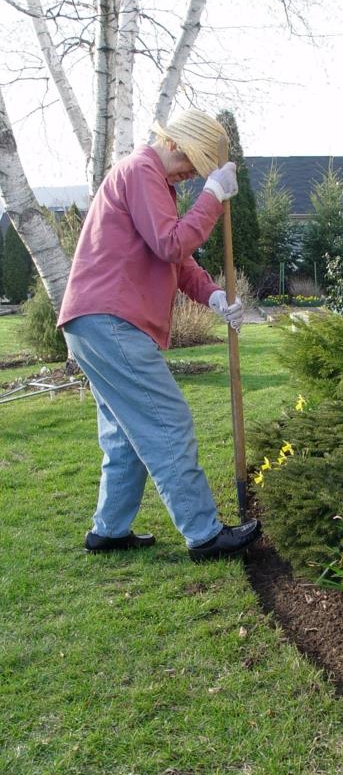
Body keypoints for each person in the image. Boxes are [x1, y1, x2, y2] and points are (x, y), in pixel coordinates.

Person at [58, 108, 261, 562]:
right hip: (111, 320)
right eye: (191, 162)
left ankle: (109, 531)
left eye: (200, 172)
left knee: (124, 433)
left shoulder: (156, 183)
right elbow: (171, 243)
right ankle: (205, 535)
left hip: (94, 321)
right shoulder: (141, 170)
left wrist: (212, 297)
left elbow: (177, 260)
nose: (191, 175)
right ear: (172, 142)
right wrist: (210, 198)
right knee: (166, 421)